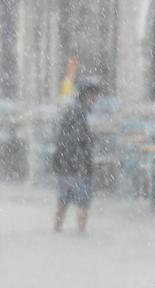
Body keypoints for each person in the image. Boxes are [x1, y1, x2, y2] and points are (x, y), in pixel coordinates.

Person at [54, 80, 101, 233]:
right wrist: (90, 139)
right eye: (94, 96)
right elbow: (78, 138)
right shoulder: (80, 112)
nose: (95, 99)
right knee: (82, 201)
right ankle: (81, 230)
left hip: (65, 163)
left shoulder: (71, 109)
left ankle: (58, 228)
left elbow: (62, 136)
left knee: (63, 199)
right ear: (87, 95)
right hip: (77, 165)